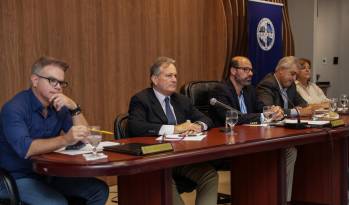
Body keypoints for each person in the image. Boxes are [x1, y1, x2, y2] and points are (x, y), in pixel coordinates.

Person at [0, 56, 109, 205]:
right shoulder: (14, 108)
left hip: (48, 173)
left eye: (61, 82)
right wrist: (65, 139)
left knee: (99, 190)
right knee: (57, 203)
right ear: (35, 80)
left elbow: (87, 138)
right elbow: (26, 149)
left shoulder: (59, 107)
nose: (58, 87)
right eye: (52, 81)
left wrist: (74, 108)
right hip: (16, 177)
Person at [127, 56, 218, 205]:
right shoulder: (141, 99)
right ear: (155, 79)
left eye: (175, 75)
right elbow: (136, 127)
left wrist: (198, 126)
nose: (174, 79)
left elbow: (206, 119)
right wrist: (174, 129)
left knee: (209, 175)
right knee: (164, 180)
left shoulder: (181, 100)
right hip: (156, 160)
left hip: (180, 158)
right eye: (169, 76)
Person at [256, 56, 312, 203]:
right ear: (280, 71)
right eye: (292, 74)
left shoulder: (291, 85)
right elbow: (268, 111)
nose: (294, 78)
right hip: (266, 136)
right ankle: (283, 200)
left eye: (295, 75)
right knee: (291, 151)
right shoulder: (267, 85)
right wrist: (294, 112)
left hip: (284, 132)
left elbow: (305, 106)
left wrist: (296, 111)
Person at [209, 56, 284, 127]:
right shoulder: (220, 90)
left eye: (251, 70)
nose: (251, 74)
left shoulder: (250, 90)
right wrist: (263, 116)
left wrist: (273, 110)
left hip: (249, 134)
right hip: (226, 136)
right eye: (245, 69)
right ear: (233, 71)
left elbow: (261, 107)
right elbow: (232, 118)